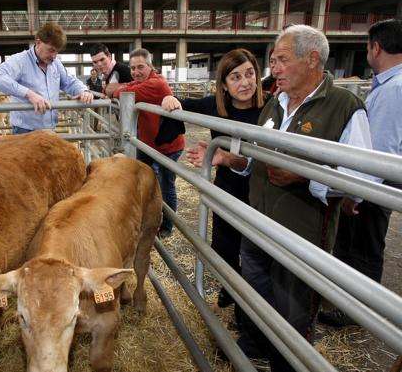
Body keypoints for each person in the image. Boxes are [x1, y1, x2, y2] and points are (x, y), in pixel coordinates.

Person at [220, 25, 372, 371]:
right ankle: (257, 345)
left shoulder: (345, 107)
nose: (275, 69)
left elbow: (366, 176)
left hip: (300, 232)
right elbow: (257, 156)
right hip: (257, 222)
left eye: (282, 60)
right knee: (256, 292)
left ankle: (287, 362)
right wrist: (234, 161)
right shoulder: (275, 103)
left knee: (294, 307)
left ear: (312, 58)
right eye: (273, 60)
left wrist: (306, 176)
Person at [161, 48, 266, 308]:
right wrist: (169, 100)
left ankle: (249, 304)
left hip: (263, 190)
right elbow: (181, 104)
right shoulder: (216, 106)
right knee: (223, 245)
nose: (245, 82)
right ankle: (231, 287)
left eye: (250, 74)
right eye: (235, 77)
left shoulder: (271, 107)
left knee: (255, 252)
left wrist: (223, 156)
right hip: (228, 187)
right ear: (224, 84)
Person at [319, 18, 402, 327]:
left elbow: (379, 150)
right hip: (379, 178)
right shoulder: (391, 84)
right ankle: (350, 301)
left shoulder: (394, 89)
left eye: (368, 46)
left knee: (364, 243)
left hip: (376, 181)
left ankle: (356, 311)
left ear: (376, 47)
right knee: (359, 241)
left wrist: (358, 193)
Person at [106, 48, 185, 238]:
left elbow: (121, 92)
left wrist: (117, 89)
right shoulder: (141, 82)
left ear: (151, 67)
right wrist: (118, 89)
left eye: (140, 67)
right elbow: (118, 89)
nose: (135, 72)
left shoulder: (156, 84)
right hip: (148, 144)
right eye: (132, 68)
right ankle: (141, 216)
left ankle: (166, 226)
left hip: (168, 146)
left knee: (167, 185)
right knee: (137, 176)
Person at [0, 23, 93, 134]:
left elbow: (69, 81)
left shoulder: (55, 64)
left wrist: (83, 90)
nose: (54, 56)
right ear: (38, 42)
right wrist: (29, 94)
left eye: (57, 52)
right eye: (51, 50)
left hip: (49, 129)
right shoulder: (21, 60)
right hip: (25, 131)